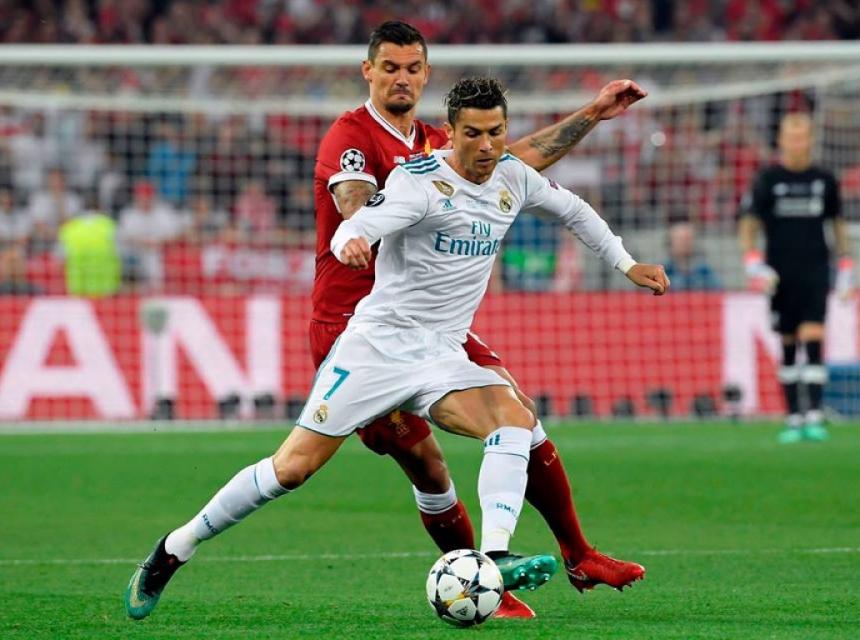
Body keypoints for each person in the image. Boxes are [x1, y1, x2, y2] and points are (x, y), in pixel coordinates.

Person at [124, 76, 669, 622]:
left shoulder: (514, 176)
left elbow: (575, 211)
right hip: (376, 349)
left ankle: (496, 558)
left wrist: (626, 263)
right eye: (473, 134)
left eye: (496, 132)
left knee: (514, 419)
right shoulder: (419, 182)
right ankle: (175, 548)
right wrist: (351, 241)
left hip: (442, 353)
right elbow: (356, 224)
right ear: (450, 133)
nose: (486, 146)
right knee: (291, 469)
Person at [311, 21, 649, 619]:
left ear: (426, 74)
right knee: (428, 466)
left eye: (412, 68)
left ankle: (575, 555)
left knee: (518, 413)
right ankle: (482, 584)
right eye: (390, 68)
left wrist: (593, 113)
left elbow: (509, 161)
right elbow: (355, 203)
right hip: (358, 325)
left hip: (435, 322)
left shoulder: (438, 139)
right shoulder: (352, 135)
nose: (401, 79)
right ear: (369, 71)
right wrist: (366, 228)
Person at [739, 112, 851, 443]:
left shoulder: (825, 179)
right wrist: (753, 262)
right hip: (780, 273)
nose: (798, 143)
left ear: (811, 141)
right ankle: (793, 416)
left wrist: (846, 266)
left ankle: (814, 415)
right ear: (782, 141)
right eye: (792, 137)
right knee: (787, 342)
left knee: (813, 337)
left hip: (815, 269)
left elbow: (837, 223)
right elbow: (749, 224)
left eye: (803, 137)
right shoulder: (768, 179)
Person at [663, 220, 721, 290]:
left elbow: (718, 291)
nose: (684, 243)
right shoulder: (664, 271)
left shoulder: (705, 271)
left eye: (687, 239)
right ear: (670, 242)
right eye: (679, 239)